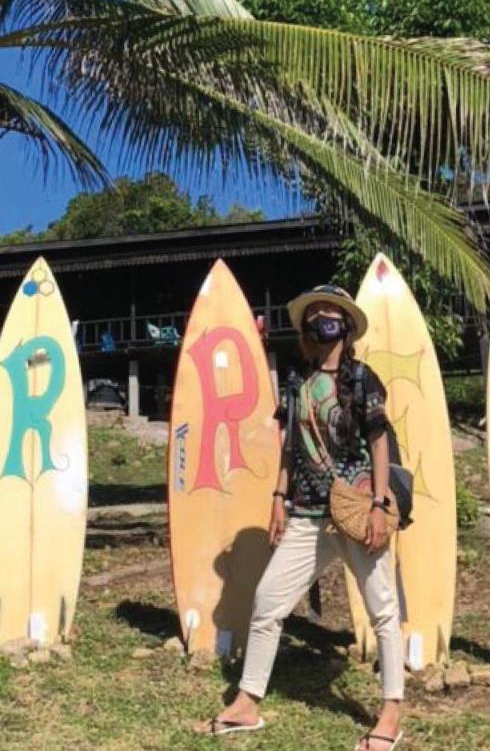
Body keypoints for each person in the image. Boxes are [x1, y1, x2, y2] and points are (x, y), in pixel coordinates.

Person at [194, 285, 405, 750]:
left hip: (355, 510)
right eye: (315, 313)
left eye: (331, 313)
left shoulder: (362, 380)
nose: (323, 319)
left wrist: (379, 503)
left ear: (346, 326)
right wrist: (277, 497)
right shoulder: (295, 381)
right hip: (307, 513)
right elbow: (289, 446)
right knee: (268, 603)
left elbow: (378, 441)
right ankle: (247, 701)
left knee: (383, 609)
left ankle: (391, 710)